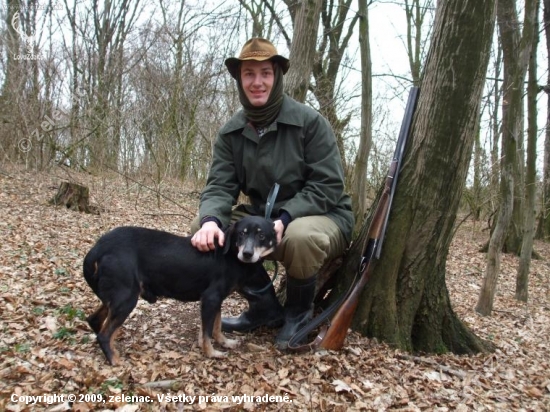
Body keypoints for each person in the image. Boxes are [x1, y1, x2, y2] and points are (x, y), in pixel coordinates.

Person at [190, 38, 354, 350]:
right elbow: (219, 186)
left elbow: (328, 185)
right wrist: (210, 219)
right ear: (240, 79)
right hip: (264, 217)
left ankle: (298, 314)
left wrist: (286, 217)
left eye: (265, 73)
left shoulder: (309, 123)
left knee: (300, 237)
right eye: (249, 74)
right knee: (206, 230)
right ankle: (264, 308)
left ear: (277, 75)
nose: (257, 82)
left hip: (323, 214)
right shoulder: (230, 133)